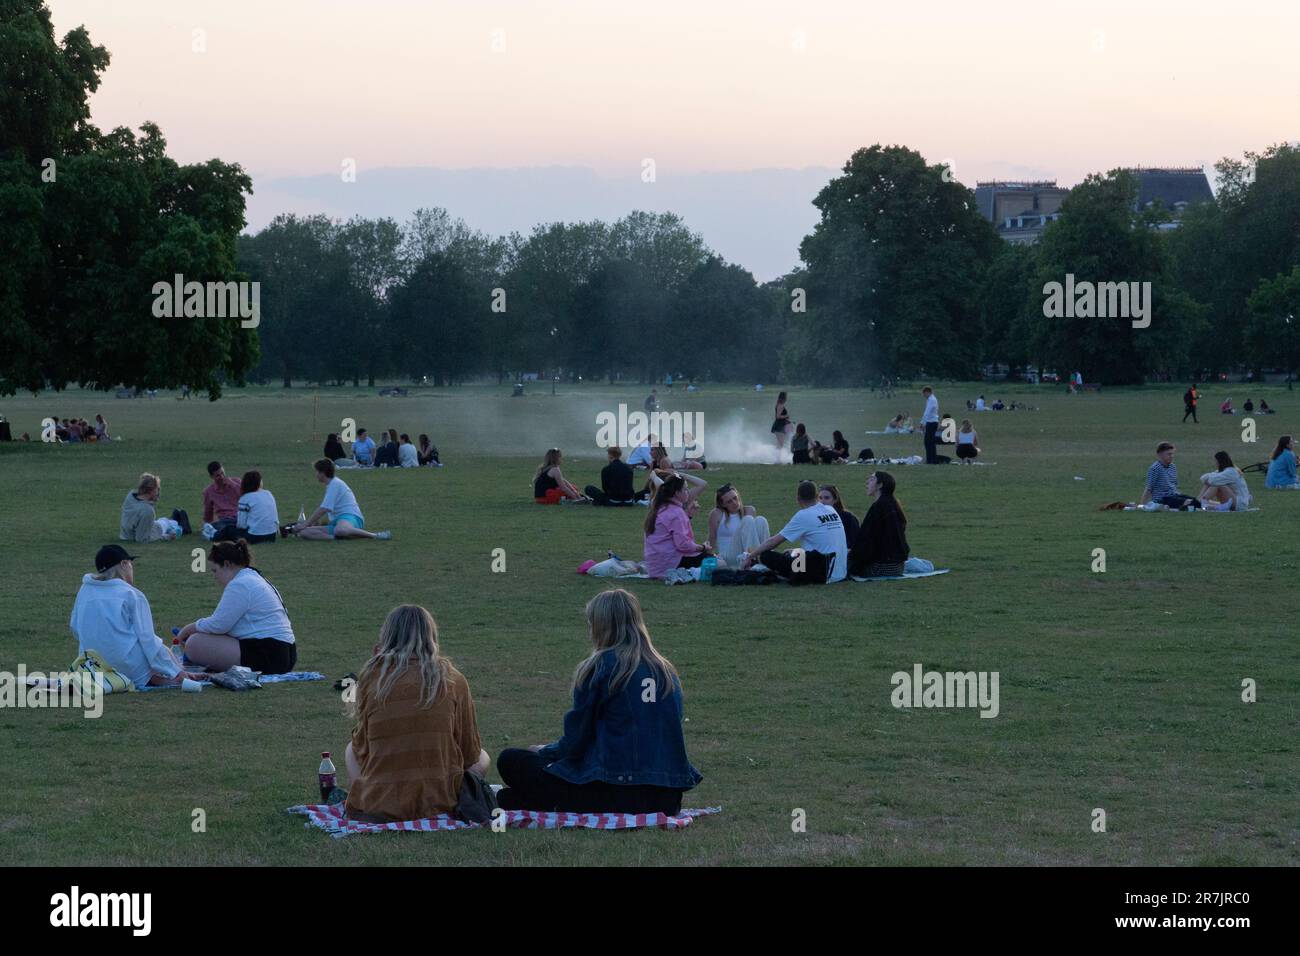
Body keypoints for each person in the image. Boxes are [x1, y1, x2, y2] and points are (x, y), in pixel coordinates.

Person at [495, 589, 702, 814]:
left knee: (511, 760)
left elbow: (576, 740)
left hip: (616, 790)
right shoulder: (666, 671)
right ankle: (523, 800)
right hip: (667, 797)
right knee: (510, 796)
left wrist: (545, 751)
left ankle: (529, 800)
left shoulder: (603, 666)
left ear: (599, 626)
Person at [343, 604, 490, 823]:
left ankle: (368, 796)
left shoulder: (373, 678)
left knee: (350, 749)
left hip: (379, 805)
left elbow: (363, 749)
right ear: (432, 637)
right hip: (441, 801)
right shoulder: (453, 679)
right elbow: (469, 753)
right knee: (483, 757)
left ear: (386, 637)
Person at [70, 545, 208, 688]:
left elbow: (75, 627)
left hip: (93, 667)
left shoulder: (85, 591)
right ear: (124, 564)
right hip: (128, 667)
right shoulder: (131, 594)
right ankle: (175, 676)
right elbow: (148, 640)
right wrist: (176, 671)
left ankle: (165, 675)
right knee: (156, 645)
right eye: (130, 564)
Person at [176, 540, 297, 674]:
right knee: (200, 639)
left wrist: (189, 629)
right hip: (284, 653)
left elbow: (219, 625)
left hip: (269, 654)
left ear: (227, 564)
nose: (214, 577)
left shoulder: (240, 584)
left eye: (215, 570)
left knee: (194, 643)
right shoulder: (254, 578)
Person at [743, 480, 848, 585]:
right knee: (792, 554)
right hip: (840, 573)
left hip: (821, 573)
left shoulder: (803, 515)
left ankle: (764, 567)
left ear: (798, 499)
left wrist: (750, 556)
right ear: (817, 496)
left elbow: (773, 542)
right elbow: (824, 542)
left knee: (766, 556)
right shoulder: (830, 509)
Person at [290, 459, 392, 539]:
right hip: (337, 522)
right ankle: (335, 538)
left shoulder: (335, 484)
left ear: (323, 473)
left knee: (340, 530)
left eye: (317, 472)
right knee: (304, 533)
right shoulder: (330, 485)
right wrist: (306, 526)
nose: (316, 475)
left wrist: (306, 523)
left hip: (351, 517)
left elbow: (324, 508)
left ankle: (375, 535)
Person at [643, 474, 711, 578]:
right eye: (685, 489)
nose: (688, 492)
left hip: (655, 565)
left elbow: (671, 530)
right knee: (717, 562)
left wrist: (688, 515)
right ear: (677, 493)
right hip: (670, 564)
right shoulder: (676, 513)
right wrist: (703, 547)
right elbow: (683, 545)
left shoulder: (659, 507)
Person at [849, 471, 910, 577]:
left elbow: (867, 540)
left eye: (872, 479)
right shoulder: (891, 504)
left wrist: (853, 557)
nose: (867, 482)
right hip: (898, 566)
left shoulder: (880, 507)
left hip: (883, 567)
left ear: (880, 485)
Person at [706, 483, 770, 568]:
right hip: (728, 556)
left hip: (745, 553)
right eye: (729, 502)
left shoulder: (749, 510)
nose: (734, 503)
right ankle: (753, 561)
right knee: (748, 520)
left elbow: (753, 538)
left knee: (761, 520)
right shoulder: (717, 513)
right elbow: (712, 538)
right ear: (723, 504)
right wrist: (707, 558)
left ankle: (766, 559)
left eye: (735, 498)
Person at [120, 473, 186, 542]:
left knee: (164, 521)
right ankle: (181, 524)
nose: (158, 492)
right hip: (154, 531)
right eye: (157, 489)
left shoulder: (130, 496)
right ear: (152, 491)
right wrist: (167, 537)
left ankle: (175, 518)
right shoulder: (147, 511)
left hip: (125, 536)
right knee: (171, 524)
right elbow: (142, 539)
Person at [1139, 442, 1202, 509]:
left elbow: (1174, 485)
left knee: (1196, 501)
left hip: (1174, 495)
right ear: (1160, 454)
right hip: (1162, 498)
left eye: (1172, 454)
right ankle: (1178, 506)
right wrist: (1142, 505)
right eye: (1169, 454)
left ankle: (1182, 506)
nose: (1171, 456)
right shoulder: (1155, 468)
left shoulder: (1172, 467)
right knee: (1190, 503)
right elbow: (1149, 488)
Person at [231, 470, 279, 543]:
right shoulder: (268, 493)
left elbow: (241, 525)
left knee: (228, 530)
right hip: (272, 536)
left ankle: (213, 535)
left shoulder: (245, 498)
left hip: (254, 537)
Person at [202, 460, 241, 533]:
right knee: (217, 526)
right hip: (225, 520)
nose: (222, 477)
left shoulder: (237, 482)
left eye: (222, 473)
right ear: (211, 477)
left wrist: (233, 484)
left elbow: (246, 496)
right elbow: (208, 514)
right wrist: (206, 525)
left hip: (240, 517)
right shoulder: (209, 491)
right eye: (218, 475)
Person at [817, 484, 860, 548]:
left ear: (835, 500)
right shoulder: (815, 517)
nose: (822, 501)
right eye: (820, 498)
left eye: (826, 498)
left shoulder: (848, 517)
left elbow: (856, 541)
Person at [920, 386, 944, 464]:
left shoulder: (931, 400)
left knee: (928, 442)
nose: (924, 396)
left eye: (924, 394)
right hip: (932, 422)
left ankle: (931, 460)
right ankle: (931, 459)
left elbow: (927, 412)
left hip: (931, 422)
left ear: (927, 392)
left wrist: (922, 423)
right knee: (930, 442)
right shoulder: (932, 399)